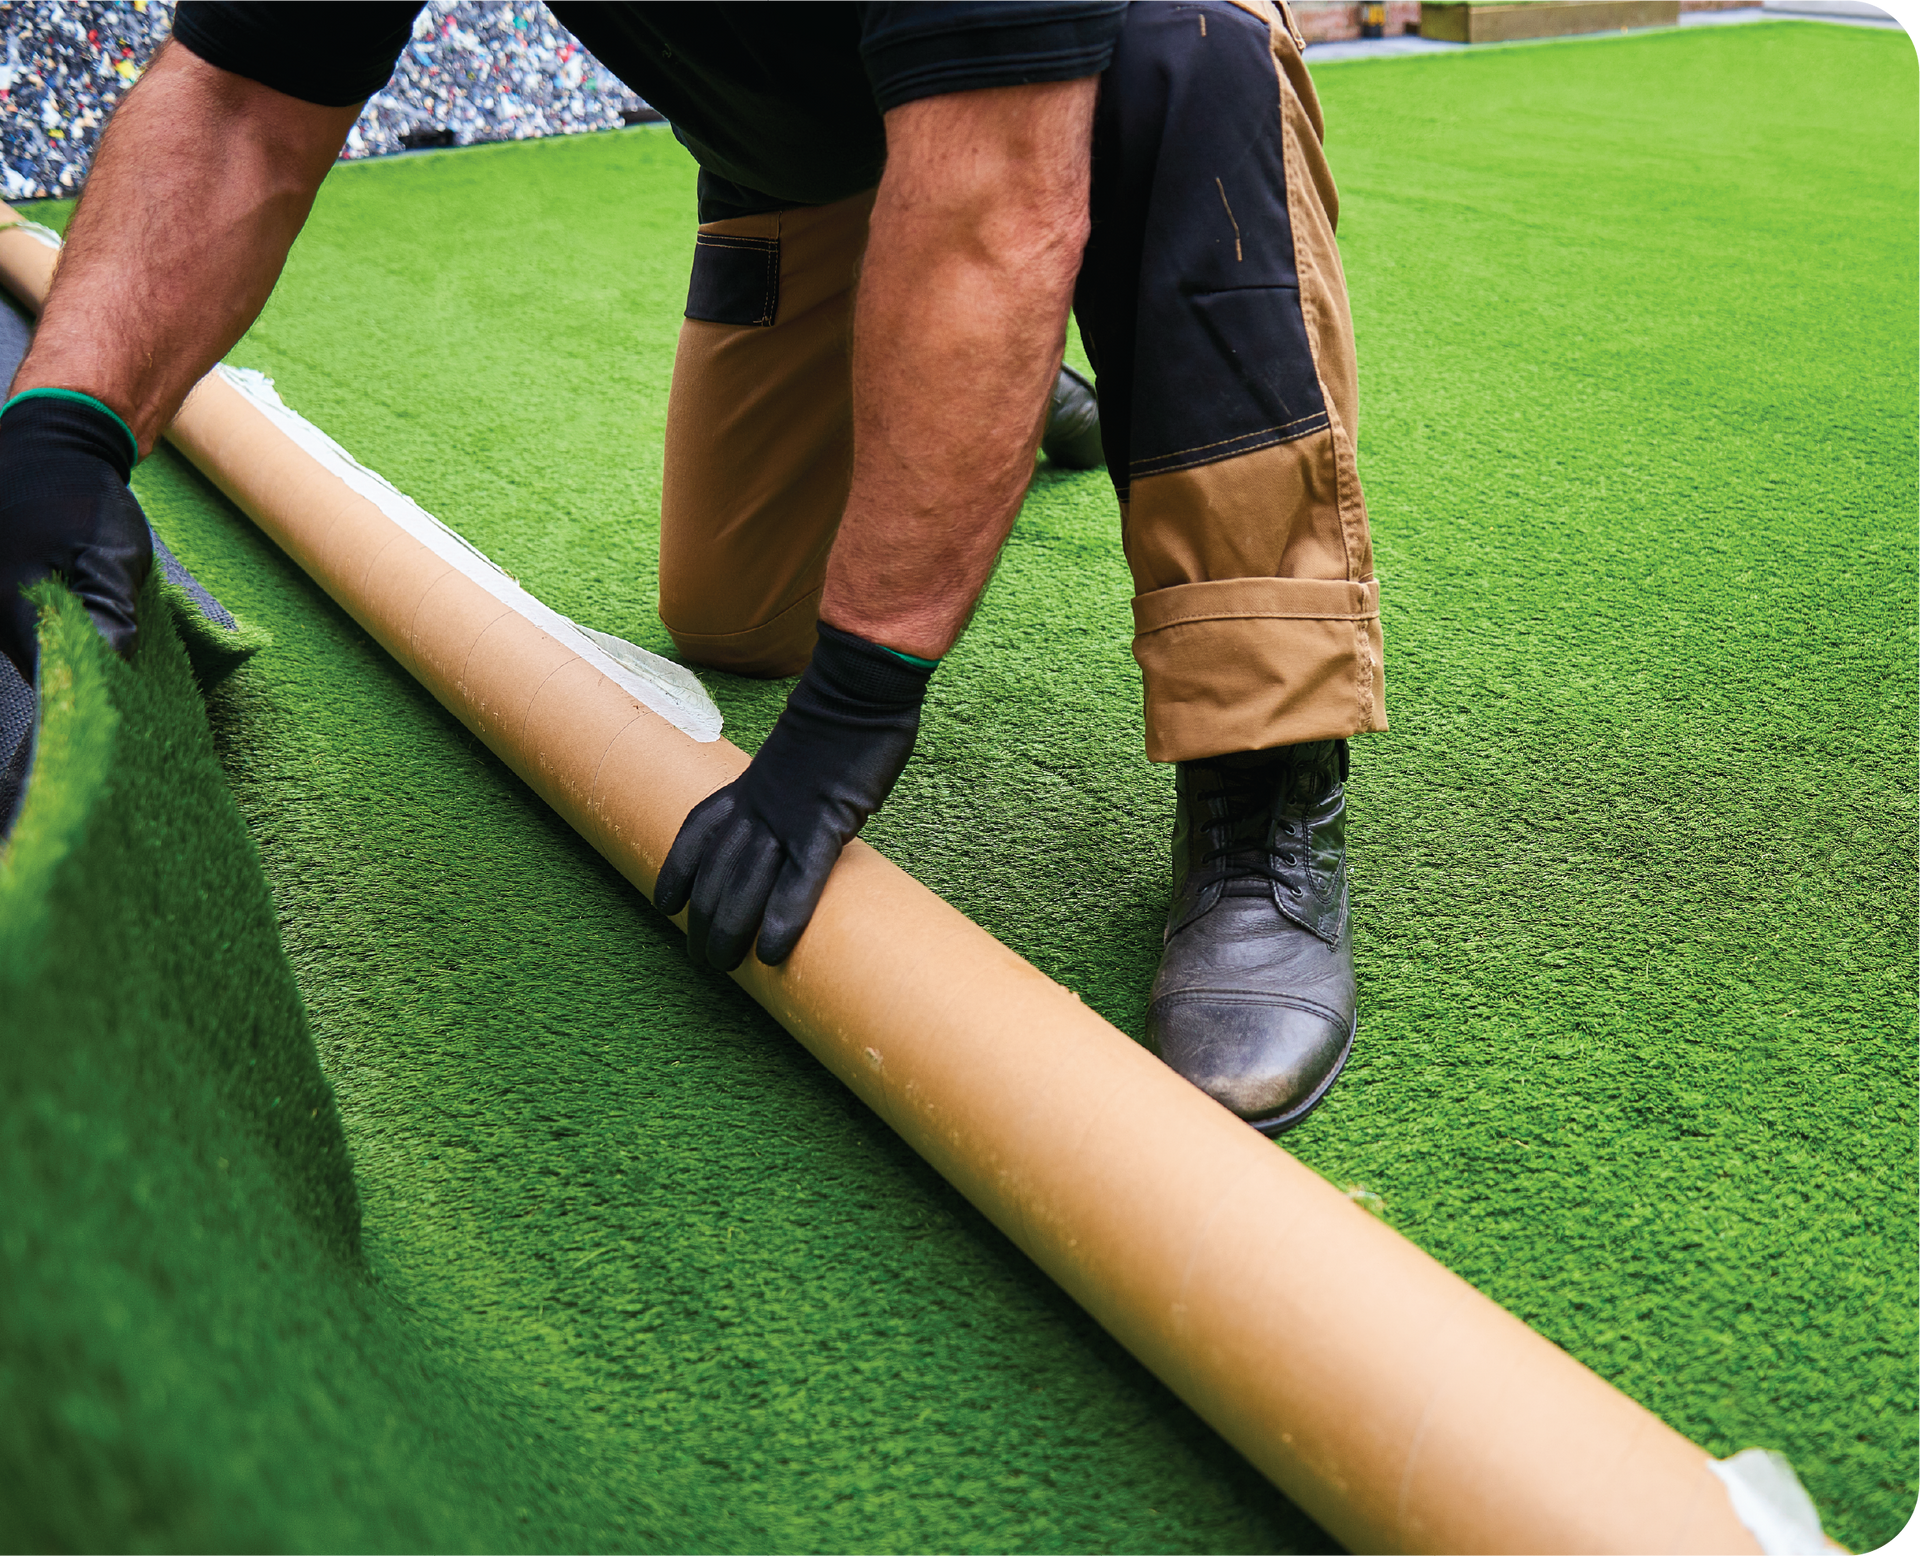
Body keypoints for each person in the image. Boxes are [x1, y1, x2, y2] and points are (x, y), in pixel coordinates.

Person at [0, 0, 1387, 1135]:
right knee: (733, 609)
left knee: (1182, 54)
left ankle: (1263, 761)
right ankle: (991, 389)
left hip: (1057, 90)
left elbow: (996, 201)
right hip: (799, 158)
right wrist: (67, 430)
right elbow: (243, 99)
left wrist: (861, 700)